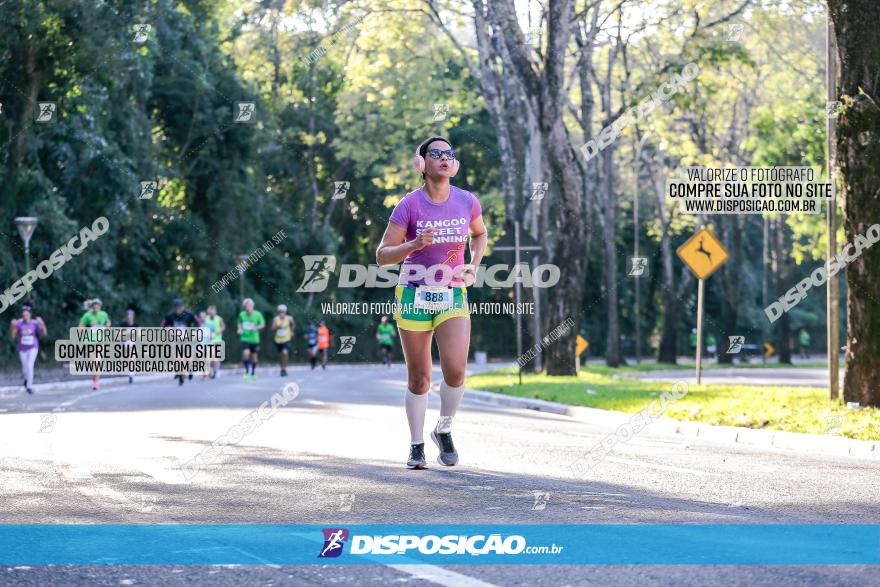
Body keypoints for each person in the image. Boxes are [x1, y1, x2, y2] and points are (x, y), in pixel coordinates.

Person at [376, 136, 487, 469]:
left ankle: (444, 428)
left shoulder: (468, 201)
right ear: (421, 163)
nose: (443, 157)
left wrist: (474, 264)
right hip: (413, 295)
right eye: (435, 153)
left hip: (452, 292)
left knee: (455, 371)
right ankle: (416, 445)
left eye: (448, 153)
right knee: (419, 379)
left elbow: (478, 234)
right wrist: (412, 244)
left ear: (453, 164)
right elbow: (382, 256)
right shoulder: (409, 205)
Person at [161, 299, 200, 385]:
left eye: (180, 307)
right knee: (178, 358)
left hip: (187, 339)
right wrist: (167, 330)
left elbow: (198, 323)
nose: (179, 310)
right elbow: (163, 326)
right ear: (175, 308)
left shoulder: (189, 314)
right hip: (177, 340)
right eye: (177, 308)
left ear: (183, 307)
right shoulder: (170, 316)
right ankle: (181, 375)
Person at [10, 302, 46, 394]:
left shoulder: (34, 323)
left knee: (30, 366)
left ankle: (29, 387)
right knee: (25, 368)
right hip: (22, 349)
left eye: (26, 315)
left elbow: (43, 333)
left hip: (33, 348)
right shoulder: (18, 323)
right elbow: (13, 336)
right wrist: (12, 326)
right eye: (23, 315)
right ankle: (26, 380)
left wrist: (42, 324)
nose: (25, 317)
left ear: (30, 315)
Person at [80, 298, 111, 390]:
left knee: (97, 362)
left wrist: (106, 327)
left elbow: (108, 322)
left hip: (99, 341)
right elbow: (80, 327)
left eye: (97, 306)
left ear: (100, 307)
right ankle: (95, 380)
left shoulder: (103, 314)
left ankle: (95, 382)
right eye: (94, 306)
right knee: (93, 362)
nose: (96, 307)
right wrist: (89, 326)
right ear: (92, 306)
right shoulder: (87, 315)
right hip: (89, 341)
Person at [237, 298, 265, 380]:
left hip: (254, 339)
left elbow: (263, 324)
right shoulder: (242, 314)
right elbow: (239, 323)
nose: (247, 308)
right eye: (246, 307)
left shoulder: (257, 314)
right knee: (246, 353)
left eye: (249, 306)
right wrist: (239, 329)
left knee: (254, 357)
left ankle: (253, 372)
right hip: (244, 337)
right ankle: (246, 371)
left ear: (252, 306)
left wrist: (256, 327)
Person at [202, 305, 225, 378]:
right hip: (209, 341)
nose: (212, 313)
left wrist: (218, 332)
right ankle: (212, 370)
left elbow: (223, 327)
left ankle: (216, 372)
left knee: (216, 357)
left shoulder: (219, 319)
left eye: (213, 311)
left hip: (217, 340)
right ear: (208, 312)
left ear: (215, 312)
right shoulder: (206, 319)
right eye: (210, 311)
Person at [272, 304, 295, 376]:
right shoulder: (276, 319)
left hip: (286, 338)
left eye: (283, 311)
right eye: (280, 311)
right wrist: (277, 327)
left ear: (285, 312)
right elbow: (272, 329)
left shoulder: (289, 318)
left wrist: (291, 331)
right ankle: (281, 368)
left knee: (285, 353)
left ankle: (285, 368)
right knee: (280, 355)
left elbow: (293, 325)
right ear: (278, 312)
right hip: (278, 340)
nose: (282, 313)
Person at [119, 309, 139, 383]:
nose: (130, 317)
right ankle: (130, 371)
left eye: (131, 315)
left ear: (133, 317)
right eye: (128, 315)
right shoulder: (123, 324)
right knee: (128, 359)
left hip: (132, 343)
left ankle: (131, 374)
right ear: (127, 316)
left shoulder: (136, 325)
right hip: (125, 343)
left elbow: (138, 334)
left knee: (132, 358)